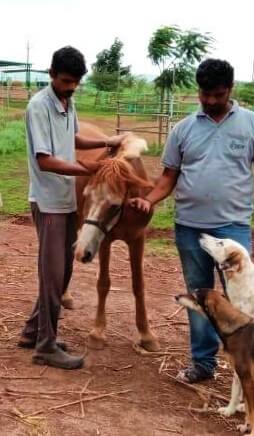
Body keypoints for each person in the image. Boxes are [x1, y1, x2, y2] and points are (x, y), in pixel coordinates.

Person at [129, 59, 254, 400]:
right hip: (190, 228)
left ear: (231, 89)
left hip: (234, 229)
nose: (210, 100)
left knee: (245, 301)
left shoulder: (253, 125)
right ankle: (203, 363)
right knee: (199, 296)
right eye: (205, 94)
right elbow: (169, 177)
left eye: (218, 94)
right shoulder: (183, 130)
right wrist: (149, 200)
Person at [18, 46, 126, 370]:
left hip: (66, 201)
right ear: (51, 74)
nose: (71, 87)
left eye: (76, 82)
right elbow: (45, 159)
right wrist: (88, 170)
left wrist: (107, 143)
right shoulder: (39, 107)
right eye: (66, 81)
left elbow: (74, 139)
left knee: (62, 271)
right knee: (53, 275)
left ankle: (32, 332)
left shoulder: (68, 102)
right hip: (49, 201)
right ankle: (45, 347)